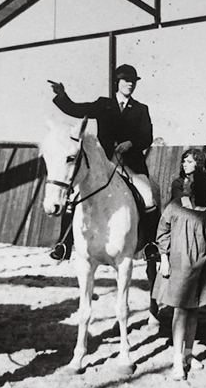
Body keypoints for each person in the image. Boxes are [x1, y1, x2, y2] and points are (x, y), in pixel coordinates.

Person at [49, 64, 157, 260]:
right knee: (73, 196)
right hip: (104, 163)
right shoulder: (103, 104)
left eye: (133, 81)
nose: (130, 84)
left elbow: (147, 137)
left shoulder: (141, 109)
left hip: (131, 165)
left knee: (148, 196)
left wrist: (131, 143)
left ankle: (151, 244)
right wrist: (62, 96)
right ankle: (64, 243)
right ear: (117, 82)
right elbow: (76, 109)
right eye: (126, 81)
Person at [155, 172, 206, 380]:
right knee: (180, 312)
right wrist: (163, 258)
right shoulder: (176, 205)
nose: (185, 182)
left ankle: (189, 354)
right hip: (179, 266)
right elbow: (163, 231)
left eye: (190, 180)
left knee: (193, 311)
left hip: (201, 266)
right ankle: (177, 359)